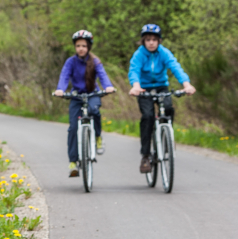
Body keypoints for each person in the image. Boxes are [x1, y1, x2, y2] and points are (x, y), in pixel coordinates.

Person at [128, 24, 195, 173]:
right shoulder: (139, 54)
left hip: (161, 87)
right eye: (148, 40)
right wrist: (136, 86)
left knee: (169, 108)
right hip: (143, 88)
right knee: (148, 116)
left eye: (154, 39)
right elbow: (134, 70)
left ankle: (167, 138)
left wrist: (186, 84)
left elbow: (175, 67)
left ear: (159, 41)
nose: (151, 42)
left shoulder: (164, 53)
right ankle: (145, 155)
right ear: (143, 41)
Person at [54, 30, 116, 177]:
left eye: (83, 45)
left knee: (94, 111)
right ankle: (73, 162)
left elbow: (102, 75)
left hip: (92, 94)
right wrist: (60, 90)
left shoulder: (95, 61)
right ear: (75, 47)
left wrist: (108, 86)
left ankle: (98, 137)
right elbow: (64, 76)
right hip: (76, 97)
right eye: (78, 45)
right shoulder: (71, 62)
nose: (81, 48)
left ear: (88, 47)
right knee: (73, 128)